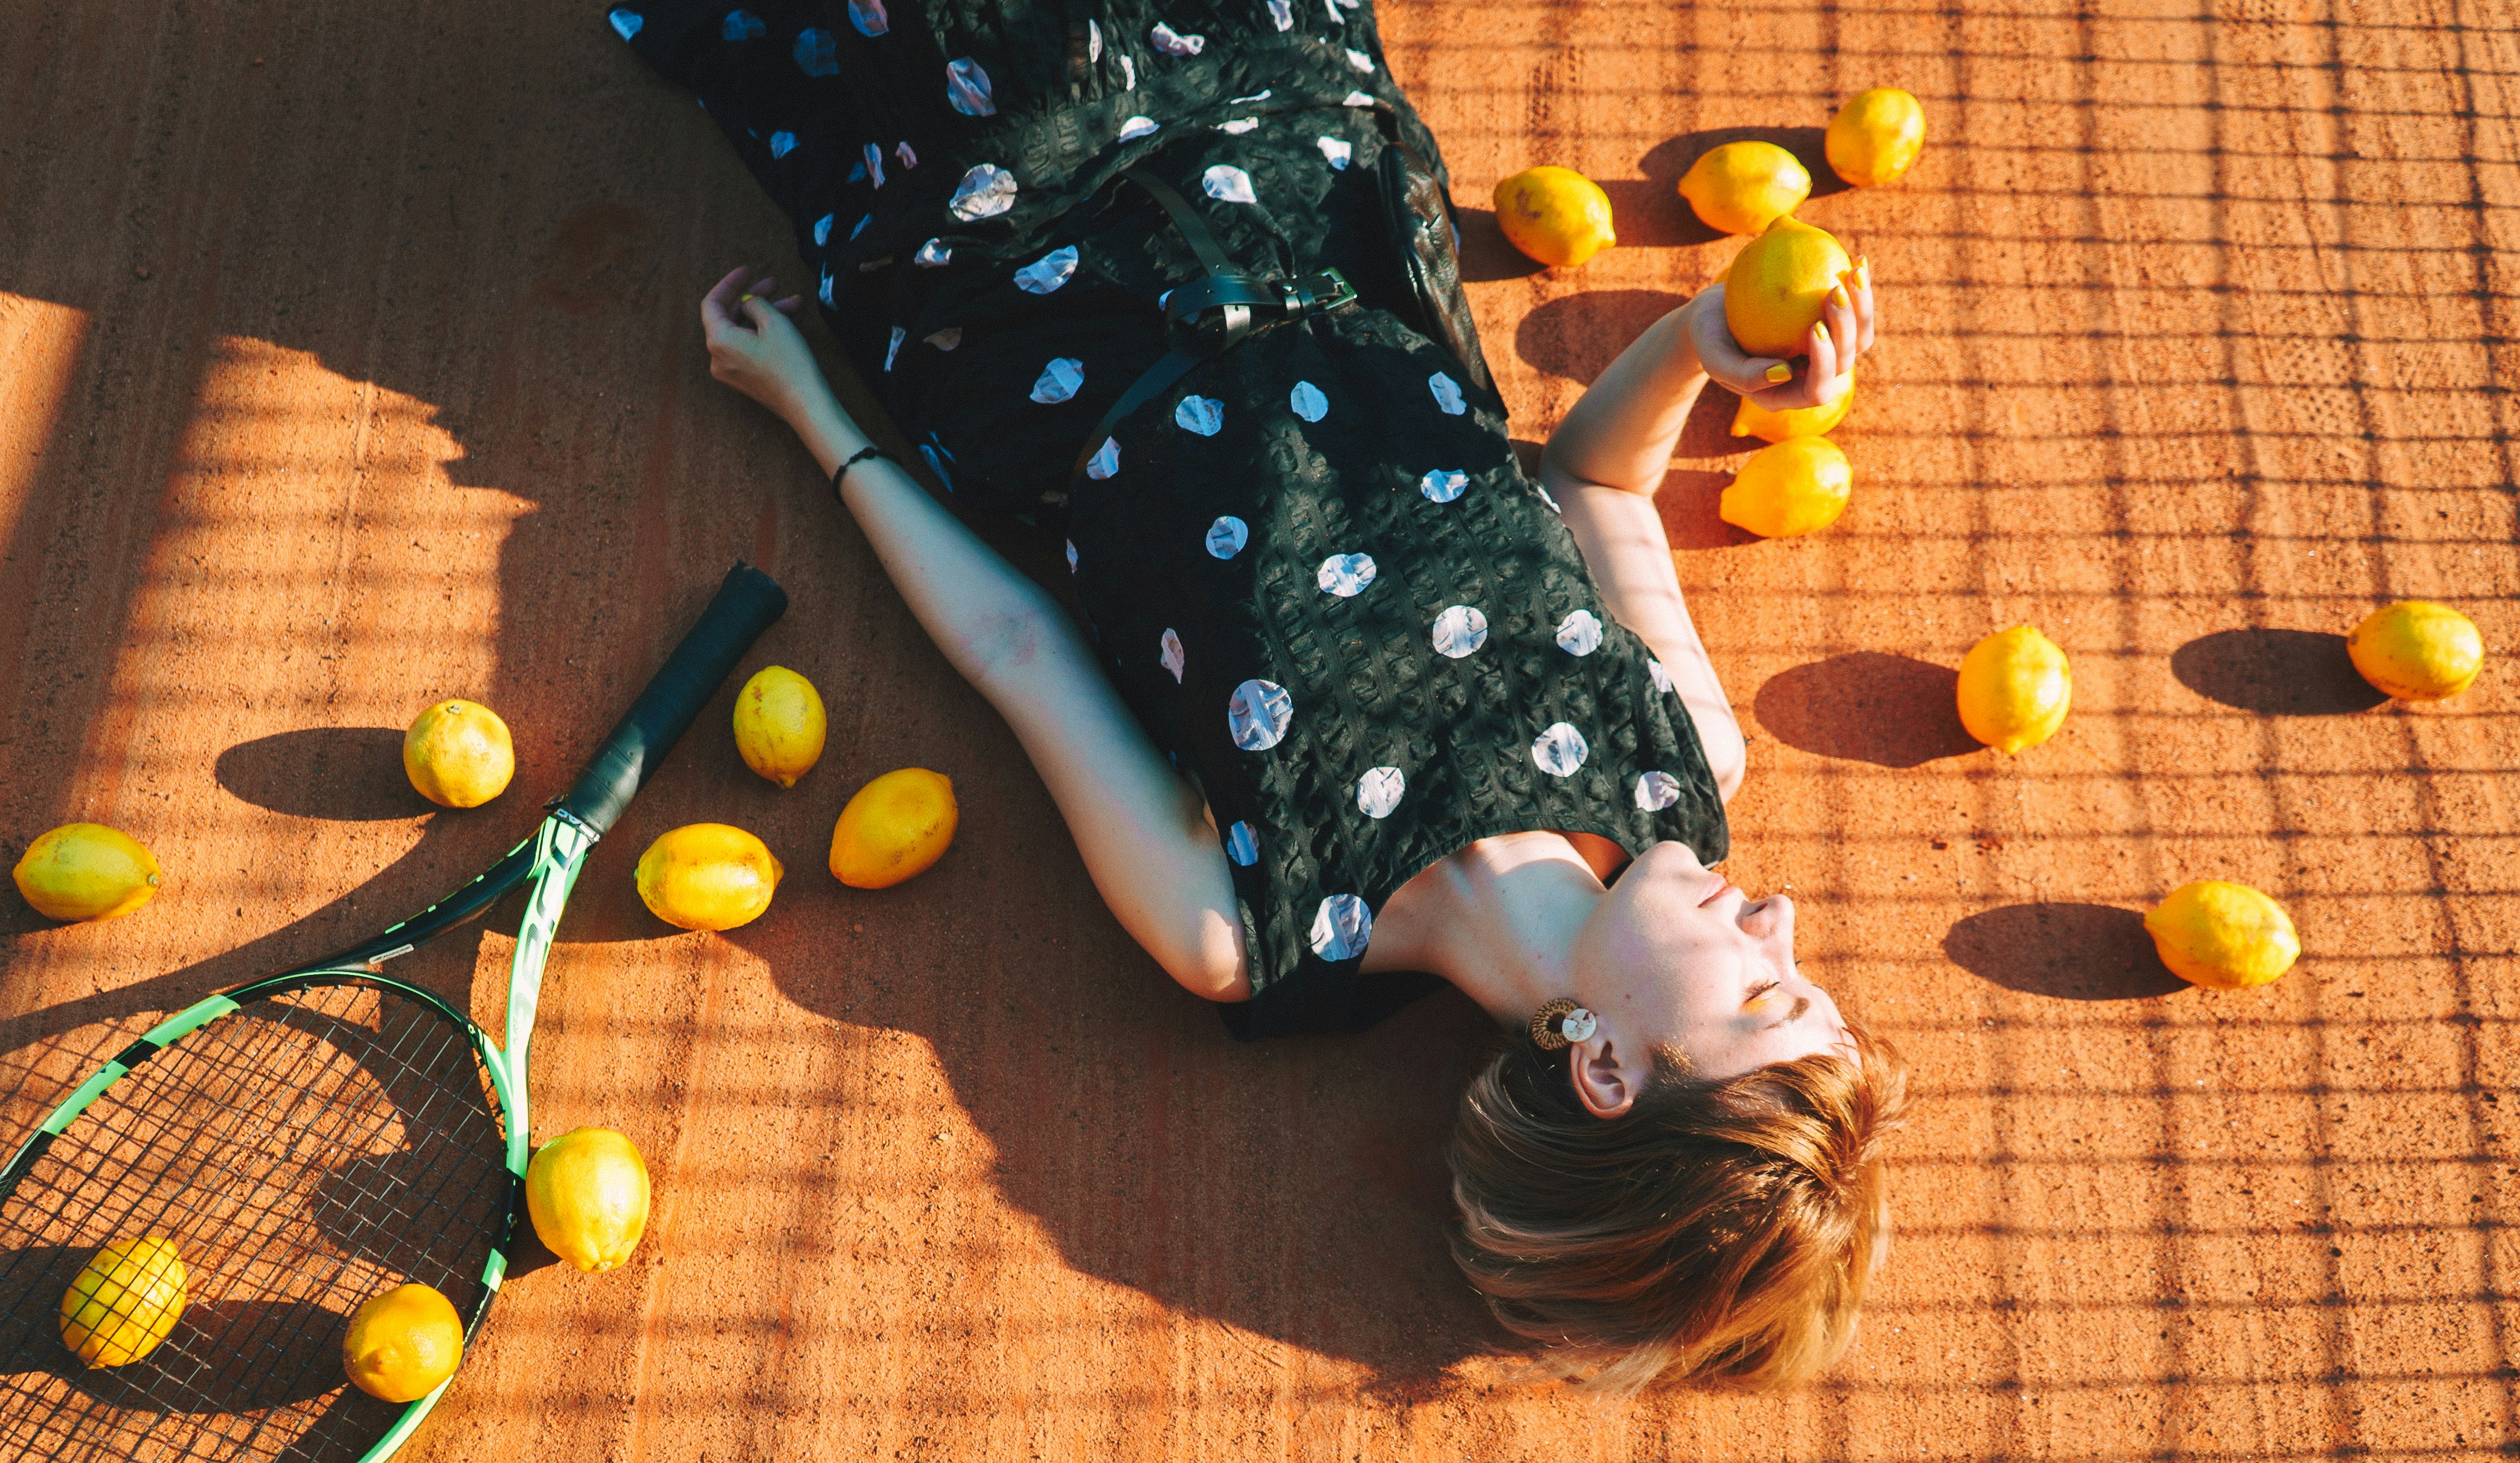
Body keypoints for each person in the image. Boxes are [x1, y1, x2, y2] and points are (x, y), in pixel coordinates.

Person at [609, 0, 1908, 1391]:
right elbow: (1589, 483)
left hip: (1035, 271)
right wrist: (1699, 342)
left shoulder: (1244, 922)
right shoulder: (1682, 758)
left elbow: (1017, 648)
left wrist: (814, 408)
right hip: (1312, 176)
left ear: (1608, 1073)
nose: (1776, 919)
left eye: (1765, 996)